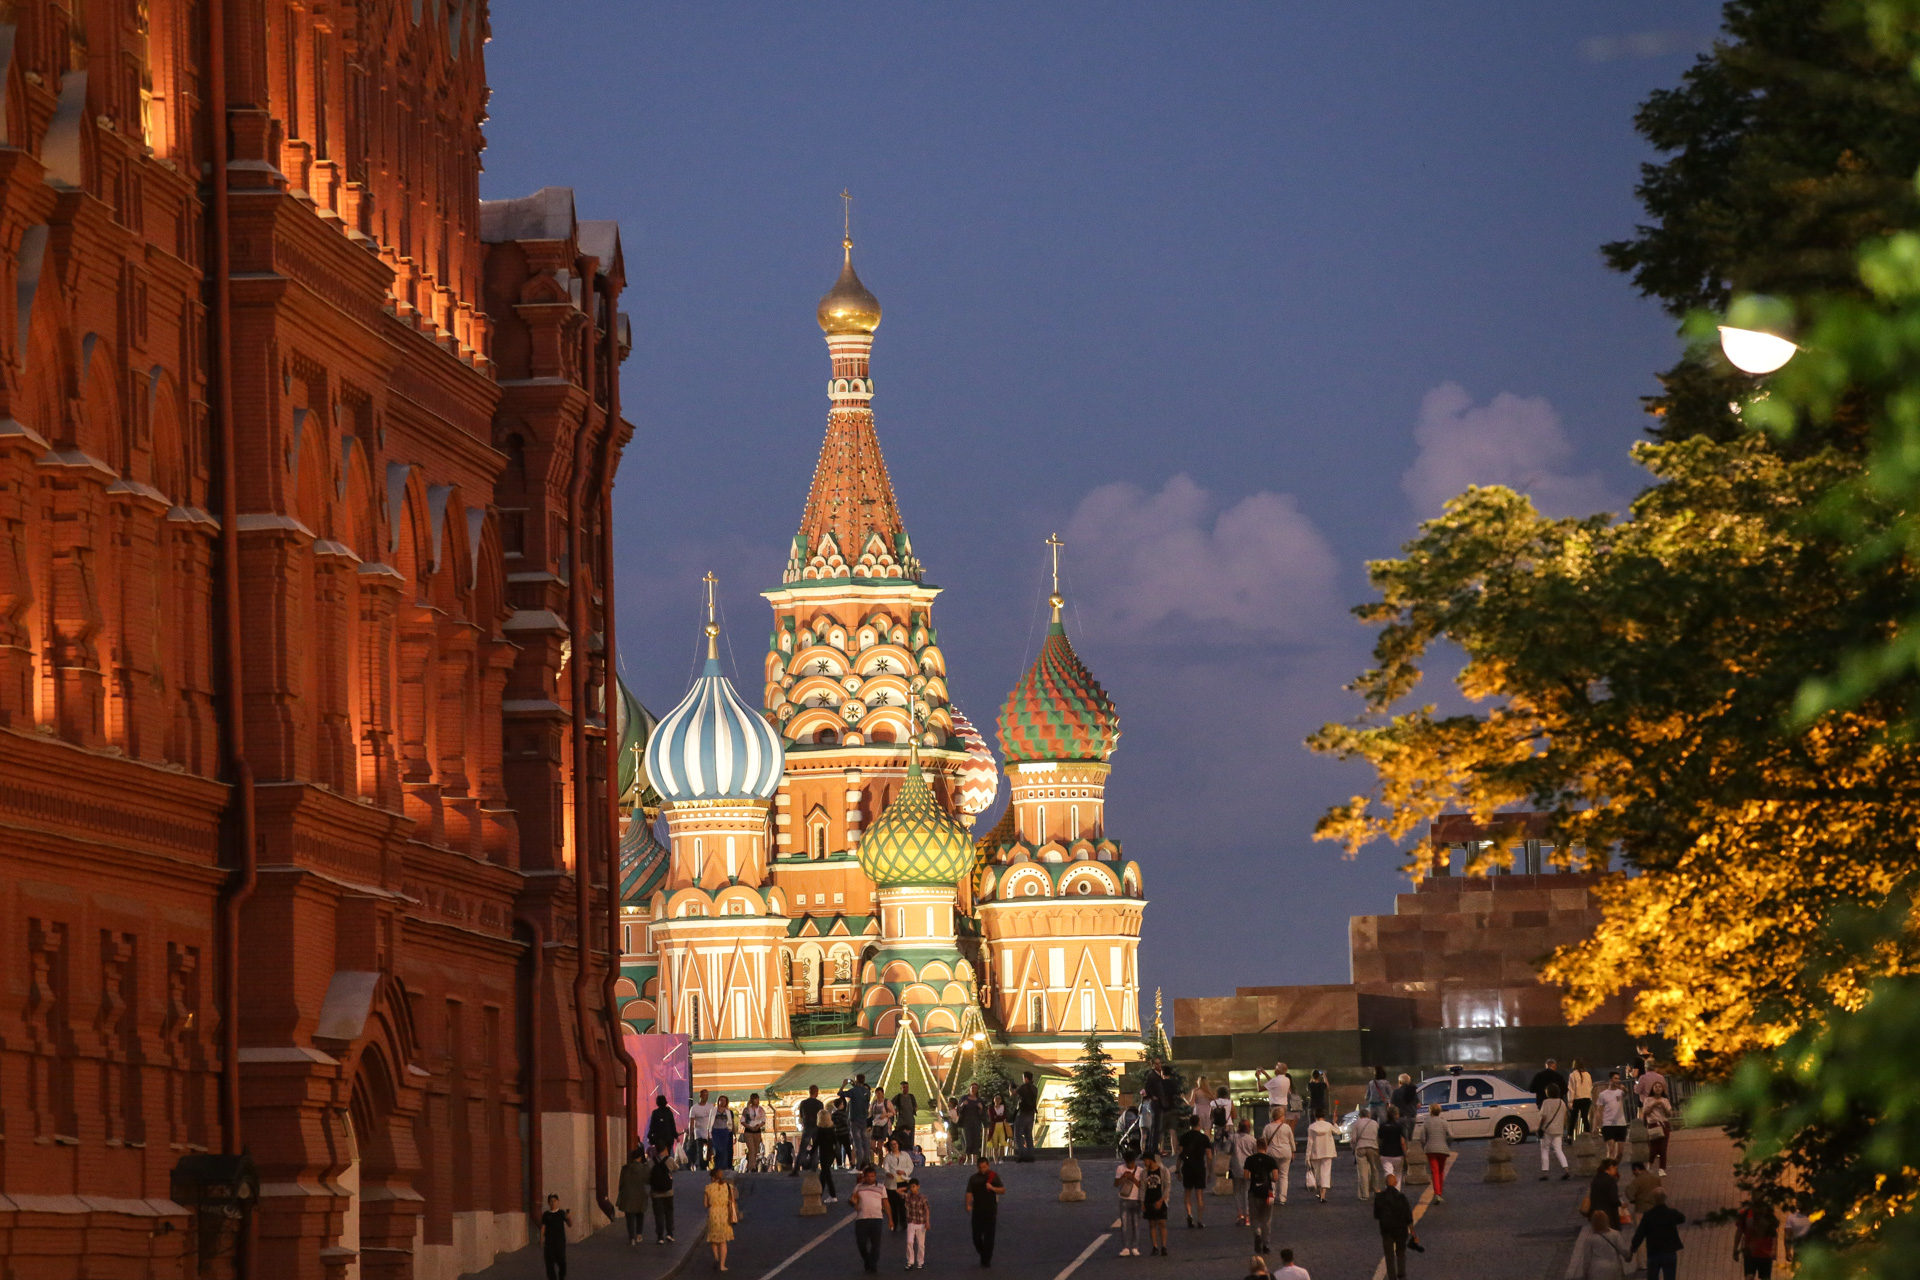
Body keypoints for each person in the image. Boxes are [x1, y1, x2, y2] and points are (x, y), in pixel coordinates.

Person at [1630, 1188, 1687, 1280]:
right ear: (1665, 1198)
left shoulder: (1648, 1215)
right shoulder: (1671, 1213)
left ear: (1653, 1200)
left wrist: (1633, 1247)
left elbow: (1640, 1233)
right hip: (1670, 1252)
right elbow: (1682, 1219)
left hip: (1654, 1253)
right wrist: (1674, 1210)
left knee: (1652, 1277)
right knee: (1670, 1276)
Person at [1241, 1135, 1281, 1255]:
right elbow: (1275, 1177)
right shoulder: (1271, 1160)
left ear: (1256, 1146)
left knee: (1254, 1216)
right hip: (1267, 1193)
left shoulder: (1250, 1160)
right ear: (1266, 1147)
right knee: (1267, 1219)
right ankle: (1266, 1244)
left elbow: (1246, 1176)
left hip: (1253, 1191)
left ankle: (1257, 1232)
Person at [1568, 1209, 1631, 1280]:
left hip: (1596, 1270)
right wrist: (1628, 1257)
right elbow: (1623, 1250)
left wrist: (1585, 1274)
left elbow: (1587, 1260)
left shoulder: (1590, 1239)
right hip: (1614, 1268)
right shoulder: (1615, 1234)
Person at [849, 1166, 891, 1273]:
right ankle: (868, 1260)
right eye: (867, 1176)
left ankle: (873, 1264)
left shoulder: (881, 1187)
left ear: (875, 1176)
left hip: (876, 1218)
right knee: (861, 1243)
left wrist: (890, 1219)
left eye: (872, 1176)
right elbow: (852, 1200)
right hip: (861, 1218)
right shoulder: (858, 1187)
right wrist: (853, 1203)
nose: (869, 1178)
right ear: (864, 1177)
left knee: (875, 1244)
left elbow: (886, 1204)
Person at [1374, 1173, 1415, 1280]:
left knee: (1389, 1254)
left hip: (1386, 1230)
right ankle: (1401, 1273)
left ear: (1385, 1184)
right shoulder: (1401, 1197)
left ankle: (1391, 1276)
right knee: (1401, 1252)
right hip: (1401, 1230)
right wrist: (1413, 1232)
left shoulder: (1379, 1198)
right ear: (1396, 1183)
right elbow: (1408, 1217)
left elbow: (1376, 1215)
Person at [964, 1157, 1004, 1265]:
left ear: (988, 1166)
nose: (983, 1169)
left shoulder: (993, 1176)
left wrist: (993, 1188)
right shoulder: (973, 1179)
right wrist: (967, 1204)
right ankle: (983, 1253)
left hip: (990, 1211)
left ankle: (986, 1259)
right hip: (977, 1211)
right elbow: (969, 1192)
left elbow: (1002, 1190)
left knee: (989, 1237)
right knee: (976, 1236)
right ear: (977, 1167)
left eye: (985, 1167)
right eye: (981, 1167)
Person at [1413, 1103, 1452, 1202]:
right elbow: (1451, 1135)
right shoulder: (1444, 1122)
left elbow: (1422, 1138)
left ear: (1430, 1111)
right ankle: (1440, 1193)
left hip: (1430, 1149)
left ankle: (1437, 1193)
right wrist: (1447, 1144)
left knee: (1434, 1171)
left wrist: (1424, 1147)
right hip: (1443, 1149)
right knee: (1441, 1171)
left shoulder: (1427, 1122)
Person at [1178, 1115, 1212, 1225]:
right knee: (1199, 1195)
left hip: (1187, 1166)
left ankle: (1189, 1214)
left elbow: (1180, 1154)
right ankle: (1200, 1219)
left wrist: (1177, 1170)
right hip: (1199, 1167)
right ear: (1199, 1122)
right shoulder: (1204, 1138)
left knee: (1187, 1193)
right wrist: (1210, 1171)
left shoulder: (1184, 1137)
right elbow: (1209, 1156)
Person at [704, 1167, 737, 1272]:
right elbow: (732, 1200)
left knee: (713, 1238)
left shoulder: (708, 1188)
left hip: (713, 1214)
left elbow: (705, 1204)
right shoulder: (728, 1187)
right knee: (723, 1241)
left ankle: (716, 1257)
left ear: (712, 1177)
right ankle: (722, 1265)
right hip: (724, 1214)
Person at [1735, 1199, 1778, 1278]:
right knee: (1749, 1276)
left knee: (1765, 1277)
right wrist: (1735, 1249)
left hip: (1766, 1253)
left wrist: (1774, 1250)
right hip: (1750, 1252)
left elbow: (1774, 1234)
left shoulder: (1769, 1216)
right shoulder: (1745, 1215)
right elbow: (1739, 1232)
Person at [1261, 1106, 1295, 1204]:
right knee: (1284, 1176)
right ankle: (1282, 1198)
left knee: (1272, 1175)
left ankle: (1272, 1195)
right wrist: (1293, 1151)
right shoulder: (1286, 1127)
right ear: (1281, 1116)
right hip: (1285, 1152)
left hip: (1272, 1153)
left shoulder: (1267, 1127)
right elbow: (1291, 1141)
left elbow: (1264, 1141)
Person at [1145, 1061, 1180, 1154]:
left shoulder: (1160, 1083)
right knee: (1173, 1131)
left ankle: (1161, 1149)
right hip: (1172, 1108)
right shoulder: (1174, 1083)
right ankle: (1174, 1151)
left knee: (1161, 1131)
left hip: (1163, 1109)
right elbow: (1176, 1093)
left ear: (1162, 1073)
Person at [616, 1147, 649, 1245]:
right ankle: (639, 1234)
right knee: (640, 1215)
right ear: (639, 1157)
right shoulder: (644, 1168)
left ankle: (632, 1238)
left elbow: (621, 1183)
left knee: (630, 1217)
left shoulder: (625, 1168)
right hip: (640, 1195)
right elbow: (647, 1180)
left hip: (628, 1196)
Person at [1115, 1150, 1145, 1257]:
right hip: (1124, 1199)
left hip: (1136, 1199)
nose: (1130, 1165)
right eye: (1128, 1163)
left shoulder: (1140, 1171)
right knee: (1124, 1225)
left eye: (1131, 1162)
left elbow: (1142, 1186)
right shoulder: (1120, 1168)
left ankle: (1135, 1247)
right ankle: (1125, 1247)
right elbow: (1116, 1183)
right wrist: (1123, 1177)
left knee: (1136, 1224)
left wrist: (1133, 1178)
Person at [1141, 1150, 1171, 1257]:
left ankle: (1164, 1246)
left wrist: (1162, 1199)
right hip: (1149, 1200)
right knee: (1152, 1224)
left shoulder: (1163, 1170)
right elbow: (1143, 1188)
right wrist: (1142, 1202)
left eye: (1145, 1160)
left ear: (1151, 1160)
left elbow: (1167, 1186)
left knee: (1162, 1223)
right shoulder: (1144, 1173)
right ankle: (1155, 1246)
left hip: (1160, 1200)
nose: (1144, 1163)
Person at [1228, 1118, 1257, 1224]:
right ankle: (1247, 1215)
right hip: (1248, 1168)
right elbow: (1255, 1153)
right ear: (1248, 1128)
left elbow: (1227, 1151)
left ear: (1239, 1127)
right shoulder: (1252, 1139)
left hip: (1235, 1166)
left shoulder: (1232, 1138)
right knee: (1247, 1191)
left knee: (1236, 1191)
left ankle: (1239, 1213)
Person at [1596, 1073, 1630, 1162]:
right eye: (1615, 1078)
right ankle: (1609, 1171)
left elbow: (1626, 1094)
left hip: (1621, 1124)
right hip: (1608, 1124)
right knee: (1611, 1149)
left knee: (1620, 1152)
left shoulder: (1620, 1092)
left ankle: (1614, 1168)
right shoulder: (1603, 1094)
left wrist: (1625, 1089)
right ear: (1610, 1080)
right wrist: (1598, 1124)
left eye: (1619, 1078)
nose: (1618, 1080)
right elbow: (1599, 1110)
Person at [1641, 1081, 1674, 1174]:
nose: (1658, 1088)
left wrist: (1663, 1106)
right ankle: (1650, 1163)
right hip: (1653, 1124)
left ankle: (1662, 1168)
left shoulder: (1665, 1100)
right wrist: (1653, 1105)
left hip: (1664, 1124)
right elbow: (1646, 1112)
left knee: (1663, 1147)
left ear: (1663, 1089)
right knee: (1654, 1148)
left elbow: (1669, 1114)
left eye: (1660, 1087)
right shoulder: (1648, 1100)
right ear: (1652, 1089)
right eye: (1656, 1086)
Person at [1305, 1109, 1338, 1203]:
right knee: (1326, 1173)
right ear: (1324, 1116)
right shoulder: (1328, 1125)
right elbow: (1338, 1132)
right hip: (1327, 1152)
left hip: (1315, 1152)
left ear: (1315, 1116)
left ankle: (1319, 1191)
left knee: (1318, 1174)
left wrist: (1307, 1156)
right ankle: (1323, 1194)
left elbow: (1309, 1143)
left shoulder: (1312, 1127)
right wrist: (1334, 1122)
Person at [1539, 1084, 1570, 1180]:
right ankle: (1566, 1169)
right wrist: (1564, 1128)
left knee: (1545, 1150)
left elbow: (1543, 1117)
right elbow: (1565, 1117)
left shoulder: (1546, 1102)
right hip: (1558, 1130)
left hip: (1547, 1130)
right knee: (1559, 1150)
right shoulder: (1562, 1102)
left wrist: (1540, 1127)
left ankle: (1545, 1172)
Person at [883, 1138, 915, 1230]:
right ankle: (894, 1222)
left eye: (895, 1144)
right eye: (892, 1144)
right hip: (891, 1183)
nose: (894, 1146)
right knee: (893, 1204)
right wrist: (888, 1173)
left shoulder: (905, 1155)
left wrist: (904, 1172)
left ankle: (903, 1222)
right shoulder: (888, 1157)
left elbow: (910, 1166)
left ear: (898, 1144)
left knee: (902, 1203)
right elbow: (885, 1167)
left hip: (903, 1182)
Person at [1351, 1108, 1383, 1200]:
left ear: (1360, 1115)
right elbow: (1378, 1137)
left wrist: (1354, 1149)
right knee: (1374, 1169)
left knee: (1363, 1172)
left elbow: (1353, 1139)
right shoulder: (1375, 1123)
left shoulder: (1356, 1124)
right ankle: (1376, 1189)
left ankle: (1365, 1194)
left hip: (1360, 1148)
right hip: (1373, 1147)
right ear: (1368, 1115)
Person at [844, 1073, 874, 1166]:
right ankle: (859, 1163)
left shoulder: (860, 1100)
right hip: (860, 1122)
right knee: (860, 1145)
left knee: (861, 1145)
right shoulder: (864, 1096)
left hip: (859, 1123)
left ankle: (861, 1163)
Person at [795, 1085, 825, 1175]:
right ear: (816, 1092)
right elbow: (821, 1116)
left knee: (802, 1149)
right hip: (817, 1128)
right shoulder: (819, 1104)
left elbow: (801, 1116)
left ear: (809, 1091)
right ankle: (814, 1168)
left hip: (807, 1127)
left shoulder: (803, 1103)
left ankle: (796, 1169)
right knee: (815, 1149)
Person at [649, 1145, 676, 1243]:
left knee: (658, 1214)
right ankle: (670, 1234)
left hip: (655, 1192)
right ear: (665, 1150)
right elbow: (676, 1168)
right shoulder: (670, 1160)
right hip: (668, 1192)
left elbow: (648, 1172)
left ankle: (660, 1237)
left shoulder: (651, 1161)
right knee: (669, 1213)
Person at [902, 1176, 931, 1270]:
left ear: (918, 1186)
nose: (912, 1189)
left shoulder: (923, 1198)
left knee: (921, 1244)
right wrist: (905, 1188)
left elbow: (927, 1210)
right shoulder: (908, 1196)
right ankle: (910, 1261)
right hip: (911, 1222)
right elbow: (898, 1191)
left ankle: (920, 1261)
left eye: (914, 1187)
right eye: (911, 1187)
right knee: (909, 1242)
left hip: (921, 1223)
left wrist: (927, 1222)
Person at [1587, 1158, 1623, 1230]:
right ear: (1611, 1167)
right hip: (1609, 1214)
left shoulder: (1596, 1179)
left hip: (1596, 1213)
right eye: (1615, 1168)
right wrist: (1620, 1203)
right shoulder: (1611, 1181)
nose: (1616, 1171)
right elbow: (1613, 1199)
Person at [955, 1084, 986, 1162]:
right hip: (966, 1122)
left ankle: (974, 1159)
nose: (974, 1089)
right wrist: (962, 1105)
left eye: (976, 1088)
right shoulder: (964, 1098)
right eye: (972, 1088)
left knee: (975, 1139)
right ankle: (967, 1157)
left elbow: (982, 1113)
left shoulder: (979, 1100)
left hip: (976, 1122)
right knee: (967, 1139)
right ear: (969, 1088)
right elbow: (958, 1110)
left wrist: (981, 1108)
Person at [1014, 1071, 1039, 1161]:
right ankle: (1030, 1155)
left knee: (1018, 1134)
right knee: (1028, 1135)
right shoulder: (1035, 1088)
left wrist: (1010, 1088)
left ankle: (1022, 1154)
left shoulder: (1024, 1087)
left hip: (1022, 1113)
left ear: (1026, 1078)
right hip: (1031, 1114)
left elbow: (1013, 1094)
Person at [646, 1094, 679, 1163]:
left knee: (659, 1155)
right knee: (667, 1155)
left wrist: (649, 1136)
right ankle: (667, 1168)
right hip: (668, 1138)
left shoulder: (655, 1113)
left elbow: (652, 1126)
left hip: (659, 1139)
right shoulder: (669, 1112)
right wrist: (676, 1136)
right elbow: (672, 1125)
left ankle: (660, 1169)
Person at [688, 1088, 715, 1170]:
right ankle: (701, 1166)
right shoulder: (694, 1108)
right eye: (704, 1095)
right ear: (700, 1096)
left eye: (707, 1095)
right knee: (699, 1150)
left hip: (709, 1131)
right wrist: (691, 1134)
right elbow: (691, 1122)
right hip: (699, 1131)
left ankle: (707, 1164)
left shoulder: (711, 1106)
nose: (706, 1097)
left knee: (710, 1150)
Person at [1378, 1107, 1406, 1184]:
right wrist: (1405, 1152)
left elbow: (1379, 1139)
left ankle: (1389, 1190)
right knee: (1398, 1175)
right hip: (1397, 1153)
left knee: (1389, 1174)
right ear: (1395, 1115)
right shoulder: (1399, 1126)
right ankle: (1396, 1192)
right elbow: (1402, 1141)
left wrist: (1378, 1151)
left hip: (1385, 1153)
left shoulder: (1382, 1126)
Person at [1567, 1059, 1594, 1138]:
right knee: (1585, 1118)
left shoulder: (1572, 1075)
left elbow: (1571, 1089)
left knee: (1573, 1119)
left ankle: (1570, 1136)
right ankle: (1588, 1135)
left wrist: (1570, 1101)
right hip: (1587, 1098)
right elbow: (1590, 1086)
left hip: (1577, 1099)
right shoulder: (1587, 1074)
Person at [710, 1095, 735, 1173]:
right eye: (721, 1100)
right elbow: (710, 1122)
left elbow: (732, 1123)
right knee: (718, 1149)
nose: (722, 1102)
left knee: (724, 1149)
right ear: (718, 1101)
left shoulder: (728, 1112)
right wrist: (709, 1132)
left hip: (725, 1131)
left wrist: (734, 1133)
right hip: (715, 1131)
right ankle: (717, 1166)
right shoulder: (714, 1111)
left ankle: (724, 1167)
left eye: (724, 1100)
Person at [1390, 1074, 1419, 1138]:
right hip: (1412, 1118)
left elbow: (1392, 1106)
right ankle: (1408, 1147)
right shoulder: (1413, 1092)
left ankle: (1406, 1147)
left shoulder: (1396, 1092)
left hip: (1401, 1118)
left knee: (1402, 1138)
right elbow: (1418, 1105)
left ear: (1400, 1082)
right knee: (1409, 1138)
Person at [830, 1097, 853, 1170]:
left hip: (837, 1133)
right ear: (840, 1105)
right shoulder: (844, 1114)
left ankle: (839, 1163)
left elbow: (832, 1124)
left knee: (838, 1149)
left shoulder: (833, 1114)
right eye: (842, 1104)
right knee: (848, 1148)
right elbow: (846, 1123)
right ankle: (851, 1162)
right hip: (845, 1133)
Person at [987, 1095, 1011, 1161]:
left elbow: (1004, 1116)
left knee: (1002, 1143)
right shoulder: (991, 1108)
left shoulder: (1003, 1107)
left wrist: (997, 1117)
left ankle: (1001, 1158)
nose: (997, 1100)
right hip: (994, 1127)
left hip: (1002, 1127)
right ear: (993, 1100)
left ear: (1001, 1100)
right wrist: (999, 1116)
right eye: (996, 1098)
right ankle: (995, 1160)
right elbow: (992, 1117)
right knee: (995, 1145)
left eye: (999, 1098)